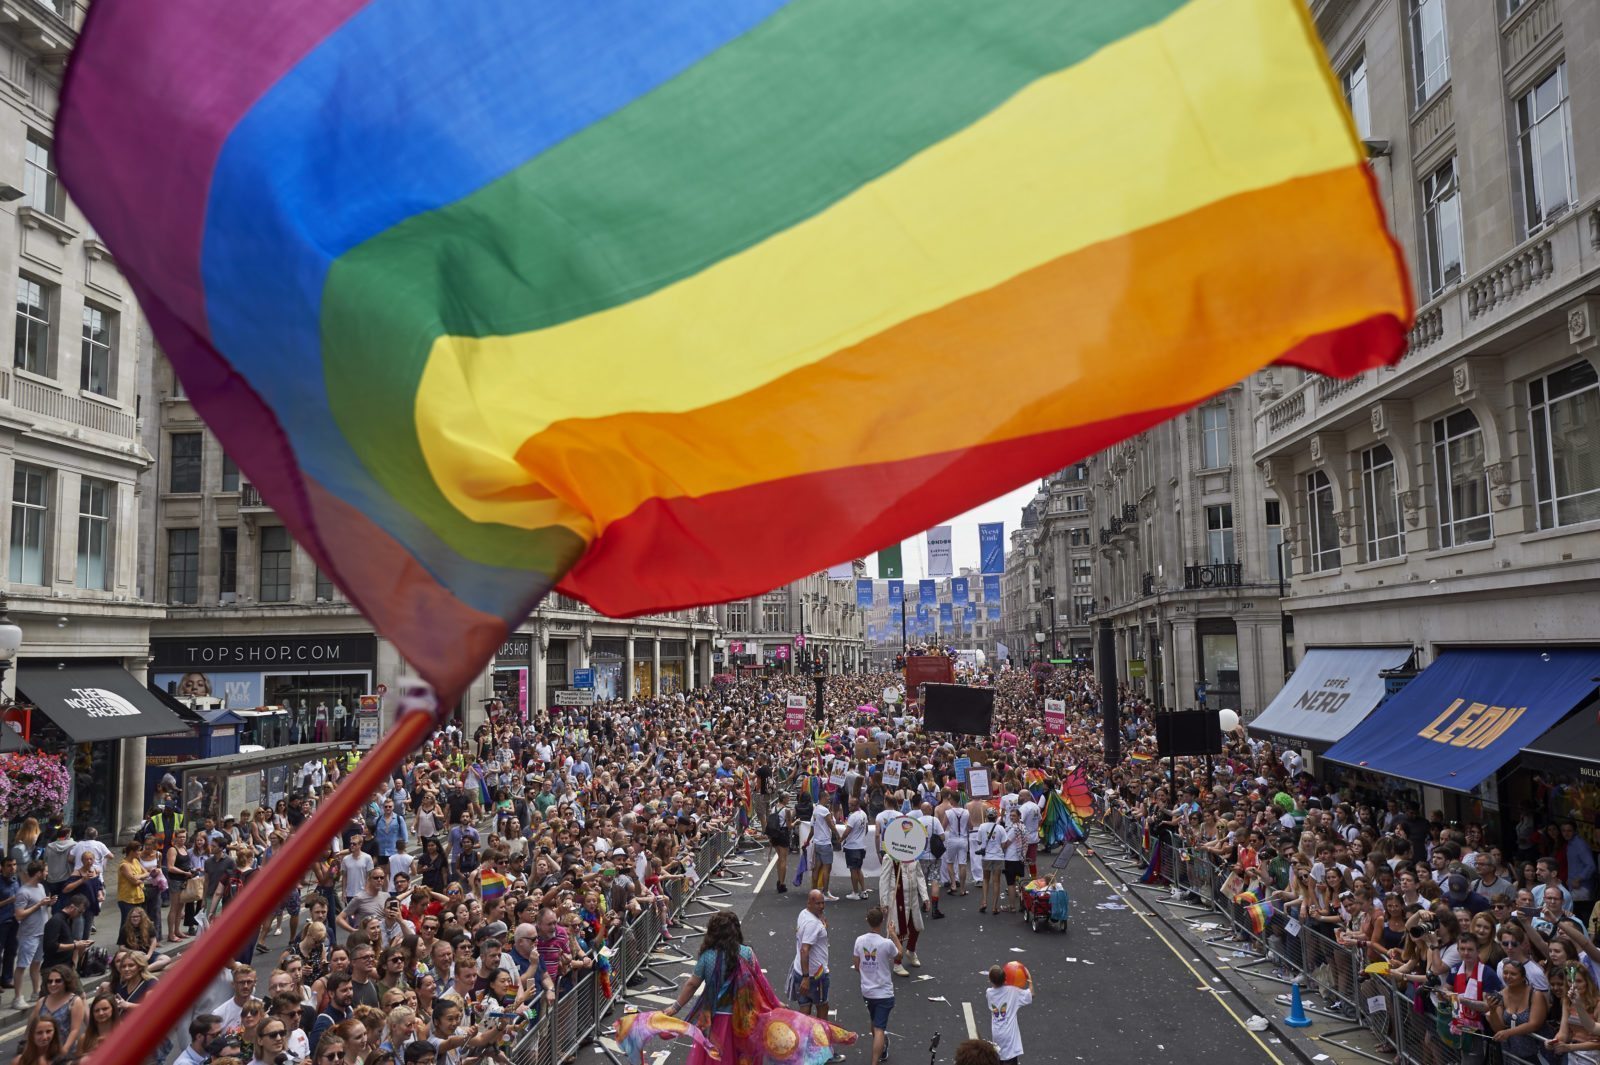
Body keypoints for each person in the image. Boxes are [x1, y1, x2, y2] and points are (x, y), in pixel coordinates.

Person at [661, 911, 784, 1065]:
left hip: (715, 1020)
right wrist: (776, 1004)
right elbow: (760, 982)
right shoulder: (747, 953)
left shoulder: (707, 956)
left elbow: (692, 984)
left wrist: (675, 1007)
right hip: (743, 1021)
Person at [852, 907, 902, 1065]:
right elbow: (900, 954)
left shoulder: (859, 941)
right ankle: (875, 1061)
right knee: (879, 1028)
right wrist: (893, 935)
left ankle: (882, 1048)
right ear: (882, 922)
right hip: (884, 994)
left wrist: (867, 975)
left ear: (867, 920)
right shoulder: (886, 943)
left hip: (867, 992)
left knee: (874, 1024)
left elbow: (856, 965)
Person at [10, 860, 50, 1009]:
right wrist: (38, 905)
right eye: (45, 871)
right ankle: (17, 998)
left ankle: (36, 992)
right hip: (29, 935)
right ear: (39, 873)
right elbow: (19, 915)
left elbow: (40, 907)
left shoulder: (40, 887)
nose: (47, 873)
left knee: (36, 964)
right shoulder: (23, 892)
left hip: (42, 932)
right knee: (22, 965)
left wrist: (48, 903)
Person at [790, 890, 833, 1023]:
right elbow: (805, 950)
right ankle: (821, 1039)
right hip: (815, 975)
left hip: (799, 970)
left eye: (822, 903)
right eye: (817, 904)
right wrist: (806, 977)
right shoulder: (813, 924)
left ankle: (803, 1038)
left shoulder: (804, 914)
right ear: (809, 902)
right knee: (822, 1006)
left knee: (805, 1006)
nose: (821, 906)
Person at [26, 964, 85, 1055]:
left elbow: (75, 1030)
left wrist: (65, 1049)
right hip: (43, 1052)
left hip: (64, 1053)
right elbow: (32, 1027)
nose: (53, 984)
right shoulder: (42, 1001)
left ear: (66, 982)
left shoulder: (75, 1001)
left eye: (58, 981)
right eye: (50, 981)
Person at [985, 963, 1033, 1065]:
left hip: (997, 1035)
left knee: (998, 1058)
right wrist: (1029, 979)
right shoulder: (1013, 992)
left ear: (990, 980)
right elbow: (1031, 995)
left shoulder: (989, 993)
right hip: (1010, 1038)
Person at [41, 894, 89, 971]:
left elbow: (64, 940)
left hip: (66, 966)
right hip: (54, 969)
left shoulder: (68, 920)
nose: (79, 916)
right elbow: (51, 947)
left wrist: (79, 943)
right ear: (72, 907)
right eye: (79, 912)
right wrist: (75, 945)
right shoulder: (56, 921)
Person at [842, 796, 870, 900]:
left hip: (852, 847)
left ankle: (855, 892)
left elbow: (847, 831)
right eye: (849, 804)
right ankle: (863, 891)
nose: (849, 806)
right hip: (861, 846)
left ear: (857, 805)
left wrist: (840, 839)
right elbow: (866, 829)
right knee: (858, 869)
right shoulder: (863, 814)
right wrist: (860, 837)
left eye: (852, 805)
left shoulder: (853, 816)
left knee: (853, 870)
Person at [77, 991, 119, 1057]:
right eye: (97, 1010)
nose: (101, 1013)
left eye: (105, 1009)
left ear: (113, 1009)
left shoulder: (124, 1029)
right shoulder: (84, 1039)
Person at [764, 799, 791, 895]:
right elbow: (789, 825)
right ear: (783, 799)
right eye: (788, 798)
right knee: (783, 859)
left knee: (779, 858)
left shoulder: (773, 808)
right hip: (783, 834)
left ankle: (779, 880)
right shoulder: (787, 810)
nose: (789, 799)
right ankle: (782, 884)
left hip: (775, 835)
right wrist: (796, 822)